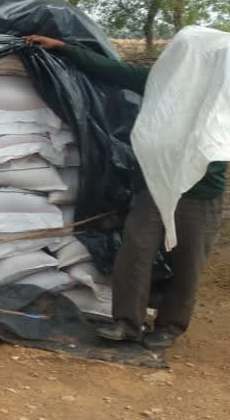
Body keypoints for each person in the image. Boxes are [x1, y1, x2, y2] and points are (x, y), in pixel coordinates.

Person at [24, 34, 226, 349]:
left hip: (199, 192)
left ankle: (170, 326)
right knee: (136, 249)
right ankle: (126, 323)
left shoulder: (222, 95)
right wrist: (66, 47)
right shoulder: (164, 82)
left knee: (189, 260)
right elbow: (115, 71)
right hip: (155, 184)